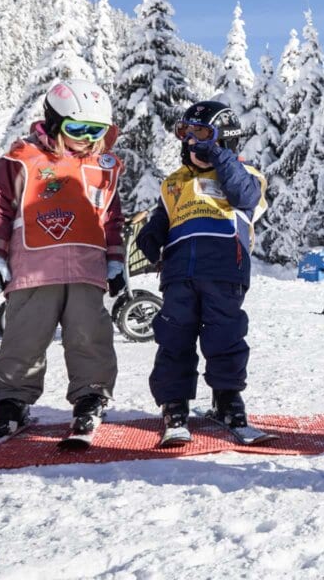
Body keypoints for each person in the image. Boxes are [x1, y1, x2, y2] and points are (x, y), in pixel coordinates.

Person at [0, 79, 125, 439]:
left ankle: (91, 395)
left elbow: (111, 217)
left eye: (97, 130)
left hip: (86, 268)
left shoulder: (103, 166)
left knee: (90, 336)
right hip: (33, 268)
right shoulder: (21, 160)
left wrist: (116, 258)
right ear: (55, 122)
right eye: (78, 128)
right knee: (24, 337)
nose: (87, 138)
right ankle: (11, 400)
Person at [136, 99, 266, 438]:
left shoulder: (244, 176)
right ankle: (174, 402)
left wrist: (220, 157)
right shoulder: (175, 183)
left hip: (225, 268)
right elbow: (162, 218)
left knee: (224, 334)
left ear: (225, 138)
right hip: (179, 273)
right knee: (174, 336)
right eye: (186, 133)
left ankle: (228, 398)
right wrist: (150, 237)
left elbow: (245, 198)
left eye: (203, 133)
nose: (193, 142)